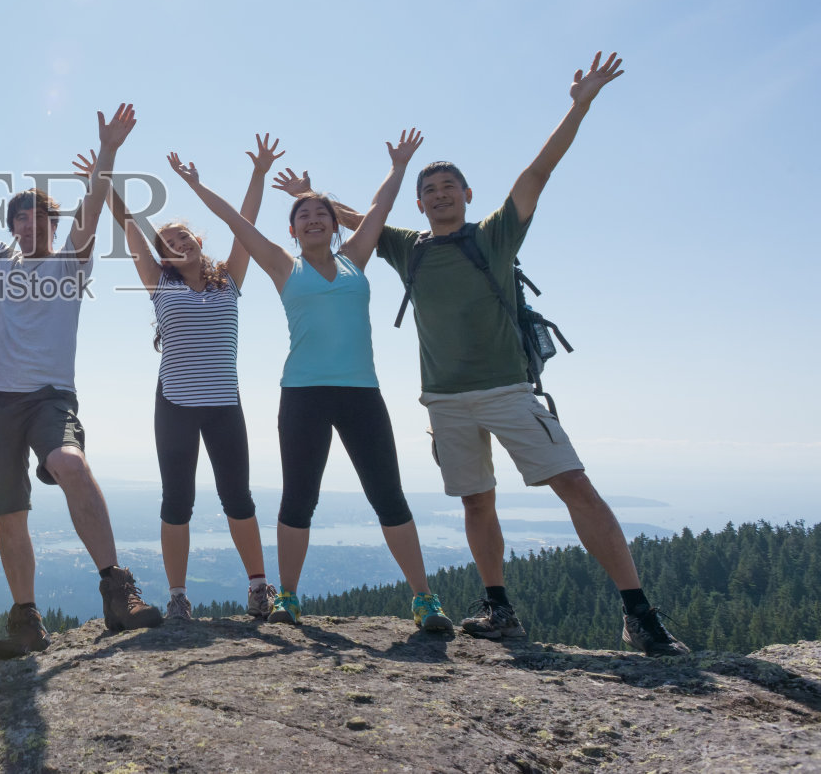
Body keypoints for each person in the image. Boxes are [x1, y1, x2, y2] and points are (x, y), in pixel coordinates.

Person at [322, 53, 689, 656]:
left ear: (468, 195)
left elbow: (537, 173)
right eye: (429, 191)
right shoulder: (405, 248)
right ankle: (499, 609)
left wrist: (580, 105)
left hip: (508, 390)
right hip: (444, 399)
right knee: (476, 500)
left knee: (575, 484)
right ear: (418, 205)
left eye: (448, 188)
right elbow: (356, 217)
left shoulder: (493, 235)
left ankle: (638, 613)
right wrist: (304, 192)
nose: (439, 196)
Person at [171, 130, 455, 633]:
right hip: (302, 394)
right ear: (294, 229)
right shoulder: (284, 266)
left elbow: (379, 209)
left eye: (321, 213)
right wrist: (195, 184)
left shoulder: (356, 259)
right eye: (304, 215)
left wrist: (400, 165)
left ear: (333, 225)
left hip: (362, 393)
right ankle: (289, 597)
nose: (314, 219)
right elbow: (234, 221)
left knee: (388, 493)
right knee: (299, 496)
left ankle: (424, 599)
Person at [0, 104, 163, 659]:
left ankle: (118, 591)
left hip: (50, 396)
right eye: (21, 219)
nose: (30, 225)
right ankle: (26, 620)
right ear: (14, 229)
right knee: (9, 509)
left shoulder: (71, 262)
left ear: (53, 223)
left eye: (40, 218)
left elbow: (92, 214)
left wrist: (110, 153)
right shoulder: (1, 264)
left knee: (69, 464)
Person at [74, 135, 282, 622]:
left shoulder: (230, 276)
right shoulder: (158, 282)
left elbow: (244, 224)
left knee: (239, 498)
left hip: (224, 404)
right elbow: (127, 226)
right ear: (162, 255)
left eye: (183, 237)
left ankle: (258, 588)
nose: (177, 244)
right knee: (177, 501)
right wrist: (104, 178)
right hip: (175, 405)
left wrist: (258, 173)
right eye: (167, 242)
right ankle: (177, 596)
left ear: (197, 242)